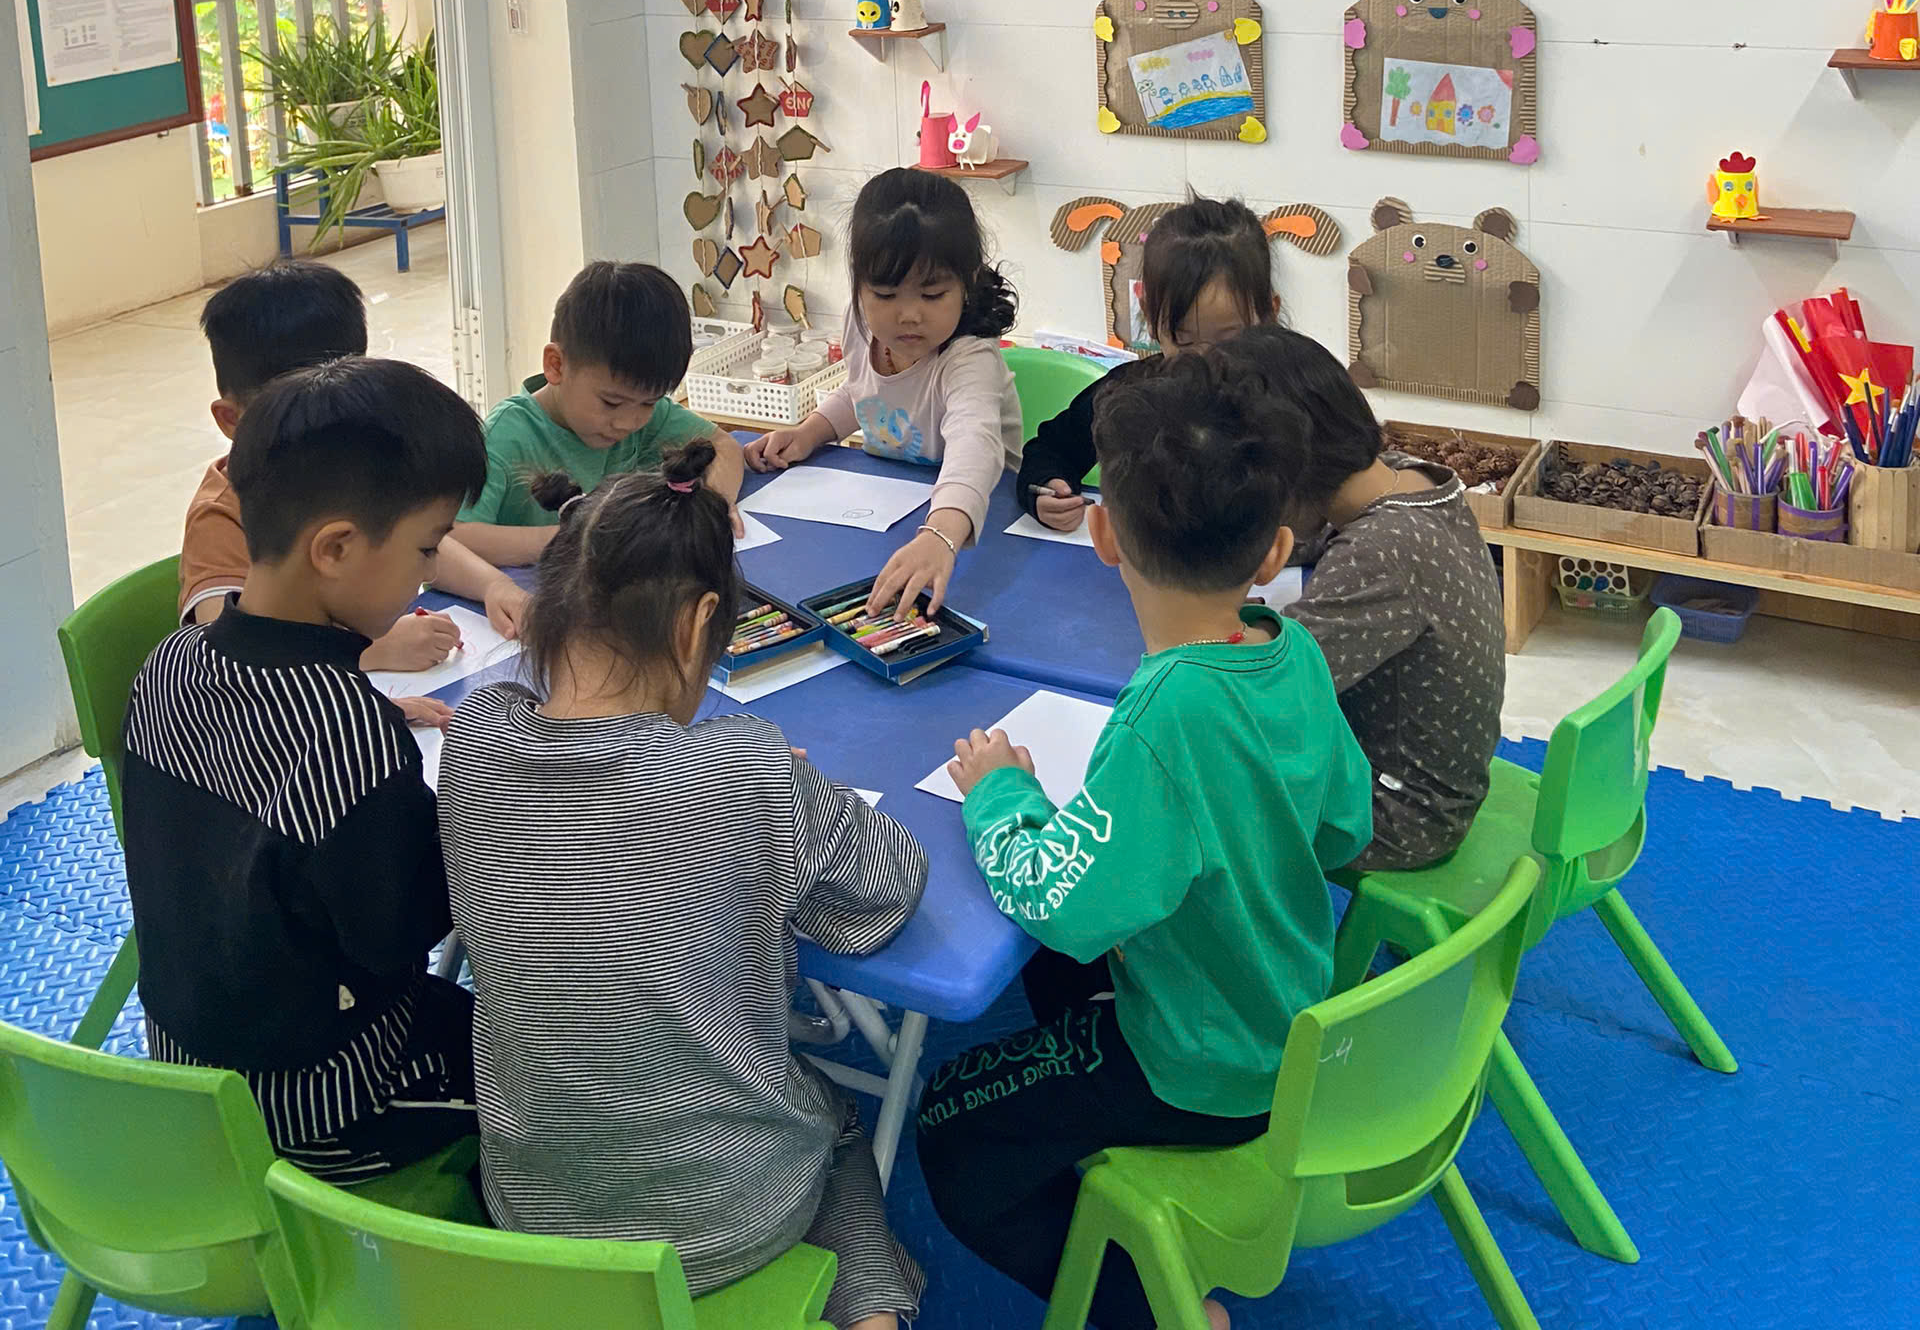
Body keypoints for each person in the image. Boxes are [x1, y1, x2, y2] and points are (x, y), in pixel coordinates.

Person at [916, 350, 1372, 1330]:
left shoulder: (1167, 714)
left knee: (951, 1123)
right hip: (1287, 1016)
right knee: (1057, 989)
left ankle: (1154, 1306)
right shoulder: (1292, 649)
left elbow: (1061, 905)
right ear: (1274, 551)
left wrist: (999, 795)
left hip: (1201, 1067)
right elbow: (1348, 825)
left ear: (1103, 533)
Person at [439, 439, 927, 1330]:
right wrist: (779, 791)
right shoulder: (746, 768)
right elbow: (890, 890)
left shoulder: (475, 737)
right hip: (729, 1217)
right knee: (835, 1127)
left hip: (537, 1216)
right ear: (698, 625)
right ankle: (873, 1312)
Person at [123, 357, 485, 1180]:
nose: (430, 574)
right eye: (426, 548)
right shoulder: (346, 731)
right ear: (336, 548)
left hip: (187, 1065)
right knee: (571, 1072)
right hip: (318, 1105)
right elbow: (404, 934)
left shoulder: (168, 663)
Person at [182, 258, 526, 727]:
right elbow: (233, 658)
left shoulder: (361, 476)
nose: (335, 426)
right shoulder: (221, 515)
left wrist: (494, 586)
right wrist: (372, 650)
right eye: (296, 409)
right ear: (232, 419)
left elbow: (418, 540)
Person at [1217, 325, 1506, 870]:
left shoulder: (1381, 552)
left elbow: (1266, 686)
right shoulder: (1407, 478)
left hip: (1401, 814)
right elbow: (1315, 535)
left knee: (1200, 786)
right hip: (1439, 776)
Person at [744, 168, 1021, 615]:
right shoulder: (860, 323)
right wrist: (811, 432)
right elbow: (863, 393)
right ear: (858, 286)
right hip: (889, 512)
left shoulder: (970, 358)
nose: (908, 315)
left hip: (978, 517)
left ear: (966, 285)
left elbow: (975, 447)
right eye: (886, 295)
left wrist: (940, 534)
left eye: (932, 295)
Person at [453, 260, 746, 565]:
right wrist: (571, 539)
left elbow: (724, 446)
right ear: (556, 365)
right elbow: (451, 538)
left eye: (649, 402)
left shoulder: (642, 412)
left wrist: (717, 504)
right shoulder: (504, 437)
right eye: (611, 403)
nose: (629, 423)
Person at [1018, 195, 1281, 532]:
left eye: (1228, 340)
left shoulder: (1292, 394)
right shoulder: (1128, 392)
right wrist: (1047, 490)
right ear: (1150, 317)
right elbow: (1050, 451)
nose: (1203, 360)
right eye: (1183, 340)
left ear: (1268, 314)